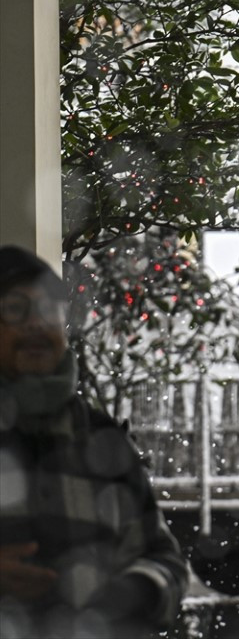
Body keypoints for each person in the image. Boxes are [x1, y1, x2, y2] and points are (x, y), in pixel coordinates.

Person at [0, 245, 188, 639]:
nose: (36, 324)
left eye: (49, 310)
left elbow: (165, 561)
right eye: (16, 309)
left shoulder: (103, 442)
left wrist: (129, 595)